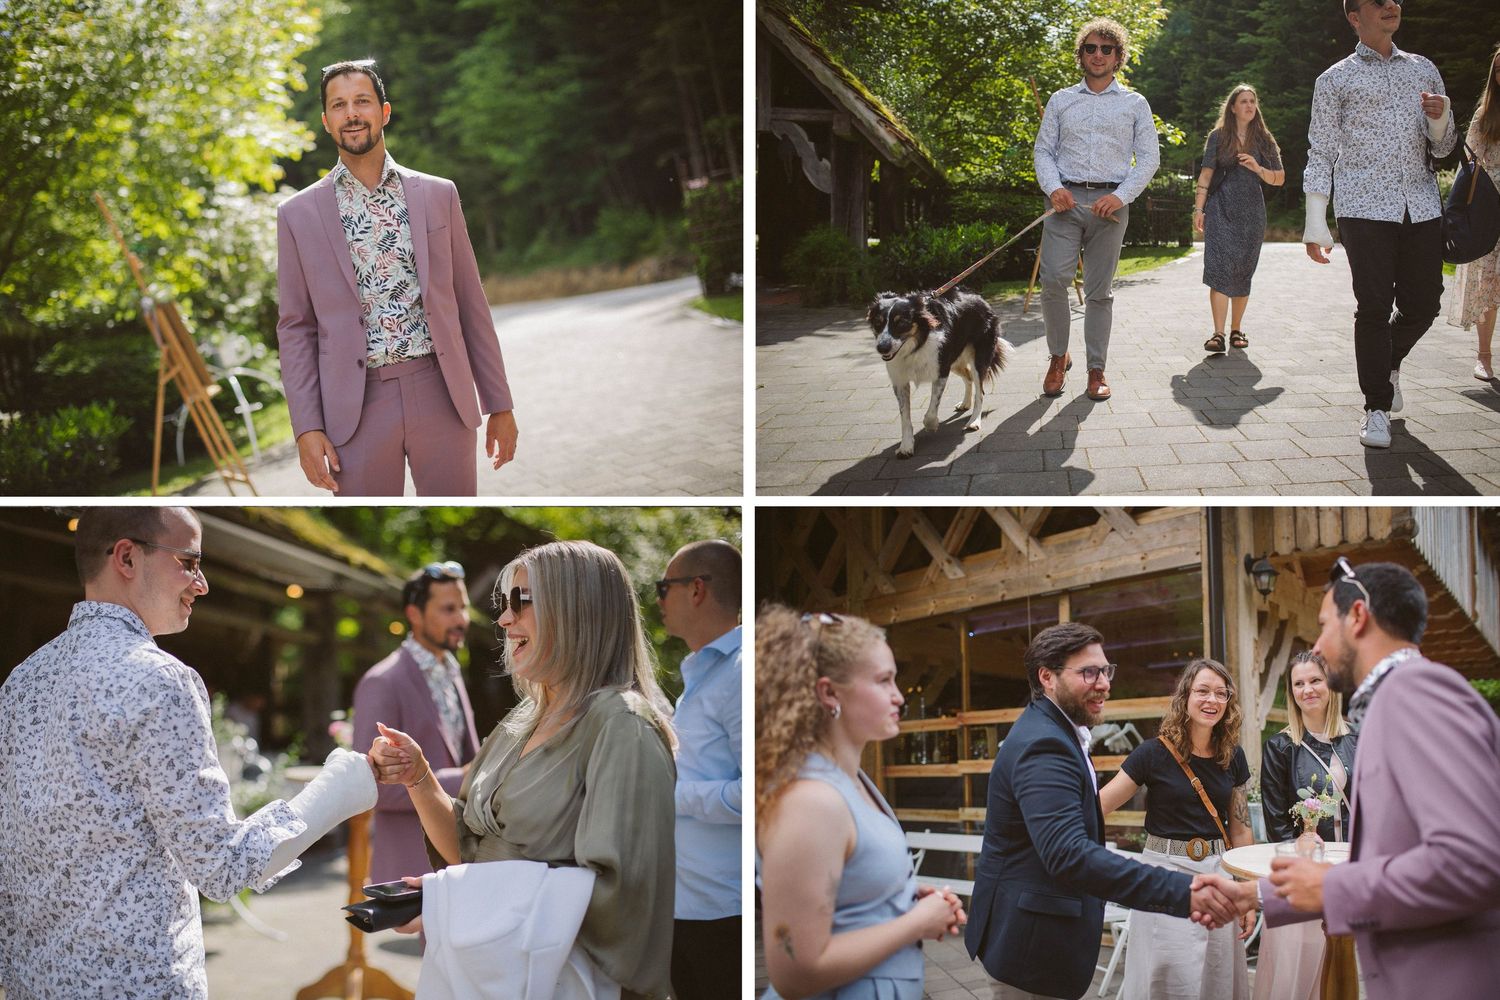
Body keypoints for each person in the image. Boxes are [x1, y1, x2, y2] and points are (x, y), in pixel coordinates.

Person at [0, 507, 377, 999]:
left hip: (32, 983)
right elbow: (222, 866)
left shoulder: (20, 681)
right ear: (127, 557)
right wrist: (340, 788)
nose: (202, 584)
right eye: (189, 561)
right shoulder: (159, 679)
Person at [368, 540, 677, 1000]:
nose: (504, 620)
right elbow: (467, 852)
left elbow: (621, 906)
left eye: (522, 601)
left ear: (578, 610)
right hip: (498, 978)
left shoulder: (622, 725)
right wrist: (418, 775)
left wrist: (456, 900)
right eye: (504, 604)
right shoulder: (522, 718)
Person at [1208, 560, 1500, 1000]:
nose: (1319, 646)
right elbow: (1404, 857)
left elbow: (1472, 862)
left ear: (1359, 616)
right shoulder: (1395, 699)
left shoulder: (1415, 692)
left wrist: (1328, 886)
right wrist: (1265, 896)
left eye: (1325, 626)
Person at [277, 59, 518, 496]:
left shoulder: (438, 194)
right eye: (339, 105)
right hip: (355, 409)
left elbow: (470, 302)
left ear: (384, 112)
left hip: (442, 392)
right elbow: (296, 328)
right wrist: (306, 427)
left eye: (362, 101)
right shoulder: (297, 215)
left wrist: (499, 402)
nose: (352, 113)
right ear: (326, 121)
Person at [966, 623, 1240, 1000]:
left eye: (1106, 670)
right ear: (1047, 677)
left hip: (1038, 937)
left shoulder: (1056, 733)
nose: (1104, 683)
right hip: (1032, 944)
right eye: (1088, 672)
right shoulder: (1045, 743)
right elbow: (1068, 852)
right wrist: (1182, 889)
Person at [755, 605, 965, 1000]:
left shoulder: (853, 782)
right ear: (829, 692)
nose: (899, 697)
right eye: (884, 681)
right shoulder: (811, 801)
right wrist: (917, 922)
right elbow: (796, 972)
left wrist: (901, 897)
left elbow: (845, 888)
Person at [1303, 0, 1456, 448]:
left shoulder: (1423, 69)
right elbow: (1321, 150)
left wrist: (1440, 118)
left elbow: (1444, 148)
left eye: (1395, 0)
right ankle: (1376, 407)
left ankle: (1387, 366)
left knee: (1425, 304)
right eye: (1378, 1)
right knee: (1372, 306)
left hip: (1421, 205)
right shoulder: (1334, 79)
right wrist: (1316, 222)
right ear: (1355, 17)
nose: (1391, 6)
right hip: (1363, 209)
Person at [1096, 658, 1254, 1000]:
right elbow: (1100, 806)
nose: (1211, 700)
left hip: (1219, 874)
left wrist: (1247, 895)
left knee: (1217, 976)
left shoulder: (1233, 756)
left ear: (1228, 703)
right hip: (1164, 874)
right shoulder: (1151, 754)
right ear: (1185, 696)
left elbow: (1241, 831)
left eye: (1220, 693)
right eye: (1202, 691)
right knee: (1167, 978)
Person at [1034, 17, 1160, 402]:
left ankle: (1096, 369)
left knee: (1099, 293)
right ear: (1082, 54)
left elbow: (1150, 158)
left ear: (1118, 56)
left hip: (1111, 208)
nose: (1098, 54)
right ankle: (1058, 357)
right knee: (1054, 279)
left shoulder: (1135, 104)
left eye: (1107, 48)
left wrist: (1121, 197)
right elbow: (1043, 151)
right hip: (1064, 205)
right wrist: (1054, 188)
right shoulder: (1061, 100)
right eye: (1091, 48)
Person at [352, 561, 480, 887]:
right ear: (414, 615)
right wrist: (463, 777)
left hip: (462, 860)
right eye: (449, 609)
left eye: (463, 608)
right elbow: (370, 789)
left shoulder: (451, 671)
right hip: (413, 864)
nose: (461, 619)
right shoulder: (382, 681)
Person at [657, 540, 743, 1000]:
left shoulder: (741, 672)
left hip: (721, 913)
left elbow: (759, 793)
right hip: (685, 906)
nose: (658, 600)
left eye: (662, 587)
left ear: (695, 590)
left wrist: (670, 794)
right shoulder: (703, 673)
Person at [1253, 651, 1357, 1000]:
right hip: (1304, 874)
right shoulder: (1280, 747)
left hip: (1351, 871)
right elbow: (1276, 822)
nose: (1307, 689)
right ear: (1291, 691)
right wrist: (1301, 859)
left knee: (1346, 966)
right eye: (1299, 683)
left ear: (1331, 685)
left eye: (1315, 680)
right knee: (1300, 969)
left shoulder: (1357, 739)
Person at [1194, 85, 1285, 353]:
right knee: (1219, 267)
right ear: (1232, 107)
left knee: (1243, 270)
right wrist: (1199, 210)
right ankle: (1218, 334)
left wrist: (1258, 168)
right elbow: (1206, 176)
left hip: (1251, 214)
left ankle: (1236, 330)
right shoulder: (1218, 137)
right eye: (1243, 101)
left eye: (1252, 101)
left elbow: (1279, 179)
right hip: (1220, 209)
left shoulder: (1264, 139)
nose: (1249, 105)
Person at [1446, 41, 1500, 394]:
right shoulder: (1485, 115)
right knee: (1487, 285)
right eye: (1499, 68)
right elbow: (1470, 165)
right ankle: (1483, 356)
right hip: (1489, 209)